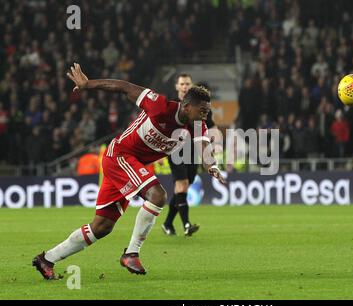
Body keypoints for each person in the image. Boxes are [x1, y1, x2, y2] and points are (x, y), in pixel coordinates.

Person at [32, 63, 226, 280]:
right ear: (188, 106)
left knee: (102, 226)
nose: (205, 115)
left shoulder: (196, 124)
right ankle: (131, 253)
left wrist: (213, 166)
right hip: (120, 156)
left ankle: (46, 259)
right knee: (158, 195)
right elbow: (123, 86)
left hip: (132, 165)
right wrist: (88, 84)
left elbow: (203, 147)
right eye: (203, 110)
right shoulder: (159, 105)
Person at [162, 74, 214, 236]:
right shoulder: (171, 105)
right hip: (175, 151)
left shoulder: (199, 105)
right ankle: (186, 225)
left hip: (193, 151)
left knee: (183, 189)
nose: (184, 87)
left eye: (187, 84)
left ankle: (168, 223)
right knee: (182, 185)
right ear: (177, 87)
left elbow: (209, 126)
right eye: (182, 84)